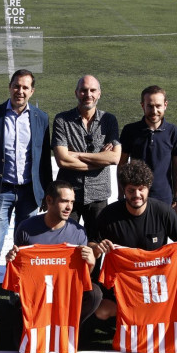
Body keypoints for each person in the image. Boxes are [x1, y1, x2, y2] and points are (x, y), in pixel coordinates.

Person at [92, 161, 177, 320]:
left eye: (141, 189)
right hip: (123, 283)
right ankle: (132, 312)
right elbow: (91, 243)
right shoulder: (109, 214)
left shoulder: (162, 211)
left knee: (175, 307)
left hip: (154, 282)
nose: (136, 195)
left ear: (148, 188)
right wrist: (98, 248)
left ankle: (142, 312)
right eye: (131, 190)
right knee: (102, 312)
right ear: (124, 190)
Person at [0, 69, 52, 259]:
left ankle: (18, 288)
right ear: (9, 87)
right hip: (1, 190)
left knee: (25, 245)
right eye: (16, 86)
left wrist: (46, 193)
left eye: (25, 87)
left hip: (30, 192)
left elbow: (44, 160)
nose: (20, 91)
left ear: (32, 91)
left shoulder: (41, 118)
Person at [5, 181, 103, 325]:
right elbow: (19, 269)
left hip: (65, 289)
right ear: (49, 200)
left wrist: (91, 263)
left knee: (94, 293)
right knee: (19, 341)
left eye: (72, 202)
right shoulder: (26, 228)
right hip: (35, 289)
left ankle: (70, 325)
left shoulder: (78, 231)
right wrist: (11, 260)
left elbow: (82, 277)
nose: (69, 207)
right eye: (64, 201)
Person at [52, 75, 121, 241]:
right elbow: (62, 160)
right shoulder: (62, 120)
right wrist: (99, 160)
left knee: (96, 244)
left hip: (98, 194)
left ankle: (94, 270)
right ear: (76, 93)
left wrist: (77, 154)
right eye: (83, 90)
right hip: (69, 194)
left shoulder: (109, 120)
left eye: (92, 90)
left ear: (99, 94)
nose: (88, 94)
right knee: (66, 243)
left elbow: (114, 158)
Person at [119, 85, 177, 209]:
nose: (154, 111)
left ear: (165, 105)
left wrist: (176, 198)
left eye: (158, 106)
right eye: (150, 106)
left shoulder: (174, 132)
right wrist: (121, 194)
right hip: (136, 196)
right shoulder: (130, 130)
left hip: (164, 197)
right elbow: (121, 164)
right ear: (142, 105)